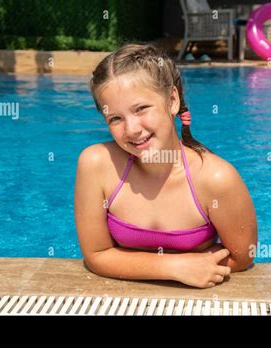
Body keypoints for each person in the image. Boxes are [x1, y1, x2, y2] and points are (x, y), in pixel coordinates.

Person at [74, 44, 257, 289]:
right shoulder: (96, 165)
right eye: (115, 118)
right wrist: (175, 267)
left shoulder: (215, 179)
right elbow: (96, 255)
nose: (132, 130)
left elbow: (242, 256)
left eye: (141, 109)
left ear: (172, 100)